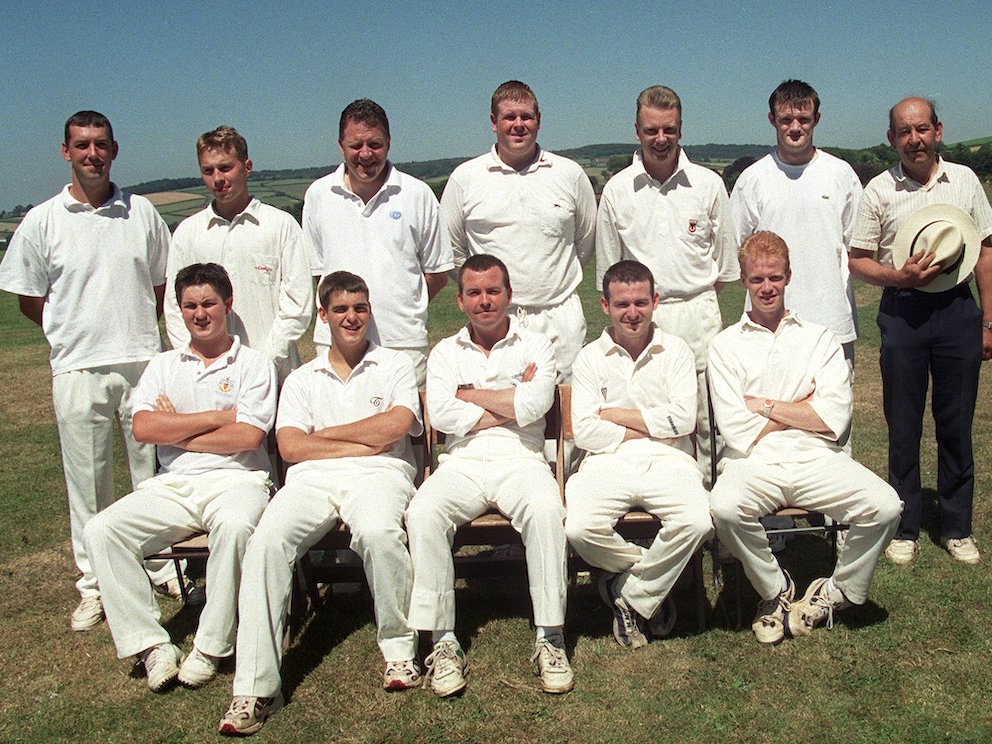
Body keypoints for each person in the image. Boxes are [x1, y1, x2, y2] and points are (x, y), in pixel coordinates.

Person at [219, 271, 422, 737]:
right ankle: (255, 688)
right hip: (310, 481)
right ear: (323, 315)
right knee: (266, 543)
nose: (351, 318)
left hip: (381, 475)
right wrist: (361, 438)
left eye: (360, 308)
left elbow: (395, 426)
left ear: (369, 312)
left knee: (377, 533)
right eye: (341, 310)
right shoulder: (301, 378)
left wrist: (324, 435)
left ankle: (399, 652)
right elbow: (290, 448)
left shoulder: (394, 365)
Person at [0, 110, 180, 632]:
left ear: (115, 149)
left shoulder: (142, 213)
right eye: (82, 145)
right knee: (89, 485)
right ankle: (96, 583)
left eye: (101, 144)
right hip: (77, 369)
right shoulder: (42, 220)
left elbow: (160, 286)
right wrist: (73, 335)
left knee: (154, 478)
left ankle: (162, 564)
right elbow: (31, 300)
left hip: (142, 363)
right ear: (66, 152)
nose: (92, 154)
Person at [84, 263, 276, 692]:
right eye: (190, 305)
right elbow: (144, 429)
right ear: (180, 311)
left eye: (208, 303)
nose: (200, 313)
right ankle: (152, 645)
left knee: (235, 525)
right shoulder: (164, 364)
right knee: (102, 530)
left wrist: (179, 431)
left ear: (228, 305)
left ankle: (211, 645)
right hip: (174, 484)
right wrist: (215, 418)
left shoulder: (254, 363)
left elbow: (248, 436)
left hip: (239, 480)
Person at [709, 231, 902, 645]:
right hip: (753, 462)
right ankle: (775, 592)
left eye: (774, 278)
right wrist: (802, 407)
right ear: (743, 280)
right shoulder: (724, 346)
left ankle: (833, 593)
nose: (767, 287)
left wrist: (762, 405)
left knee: (886, 506)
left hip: (817, 457)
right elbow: (736, 432)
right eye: (757, 279)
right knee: (724, 508)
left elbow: (834, 419)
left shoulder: (820, 338)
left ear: (788, 276)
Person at [405, 254, 572, 697]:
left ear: (509, 295)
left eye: (493, 291)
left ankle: (550, 635)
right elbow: (440, 411)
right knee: (422, 512)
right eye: (475, 293)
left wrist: (469, 396)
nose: (485, 301)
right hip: (460, 463)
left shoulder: (535, 343)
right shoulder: (444, 351)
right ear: (459, 300)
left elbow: (535, 406)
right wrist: (509, 401)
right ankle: (442, 642)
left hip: (521, 458)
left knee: (545, 509)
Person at [849, 97, 992, 566]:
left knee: (956, 422)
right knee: (903, 424)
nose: (915, 139)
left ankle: (956, 526)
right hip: (904, 311)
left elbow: (986, 252)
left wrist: (988, 319)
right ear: (892, 139)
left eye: (922, 129)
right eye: (904, 132)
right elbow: (858, 260)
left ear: (938, 131)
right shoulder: (878, 191)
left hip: (957, 310)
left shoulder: (966, 181)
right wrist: (901, 278)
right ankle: (905, 524)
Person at [564, 260, 713, 649]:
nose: (632, 313)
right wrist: (649, 426)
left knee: (698, 522)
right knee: (579, 529)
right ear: (605, 306)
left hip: (669, 461)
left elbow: (683, 419)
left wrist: (612, 415)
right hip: (605, 462)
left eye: (641, 303)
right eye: (622, 304)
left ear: (656, 301)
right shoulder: (589, 358)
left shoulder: (677, 351)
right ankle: (649, 578)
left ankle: (628, 592)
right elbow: (584, 430)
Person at [596, 86, 737, 483]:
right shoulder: (618, 190)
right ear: (637, 130)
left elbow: (725, 267)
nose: (661, 139)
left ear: (681, 129)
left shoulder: (708, 184)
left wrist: (688, 297)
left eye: (669, 130)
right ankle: (672, 507)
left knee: (709, 421)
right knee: (654, 417)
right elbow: (610, 271)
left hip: (698, 314)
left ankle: (715, 513)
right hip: (641, 319)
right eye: (651, 130)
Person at [441, 80, 596, 382]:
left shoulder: (570, 174)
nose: (518, 125)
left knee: (564, 412)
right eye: (509, 117)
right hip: (496, 318)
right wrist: (485, 292)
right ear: (493, 122)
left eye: (526, 116)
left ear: (539, 120)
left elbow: (585, 241)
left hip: (559, 314)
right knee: (501, 409)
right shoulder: (466, 178)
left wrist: (553, 280)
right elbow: (453, 249)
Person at [303, 99, 452, 386]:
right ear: (340, 145)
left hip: (401, 342)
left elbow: (437, 273)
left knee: (400, 429)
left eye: (375, 144)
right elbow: (320, 272)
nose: (366, 154)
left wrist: (403, 305)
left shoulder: (417, 194)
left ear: (389, 143)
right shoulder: (318, 195)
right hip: (335, 342)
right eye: (356, 145)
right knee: (337, 428)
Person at [730, 79, 862, 380]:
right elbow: (738, 250)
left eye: (803, 119)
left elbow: (858, 247)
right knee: (772, 419)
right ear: (772, 120)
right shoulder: (753, 179)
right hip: (768, 326)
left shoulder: (841, 174)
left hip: (831, 324)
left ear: (816, 119)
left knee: (834, 421)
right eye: (786, 119)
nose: (795, 127)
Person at [165, 126, 312, 384]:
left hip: (275, 374)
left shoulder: (281, 226)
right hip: (207, 376)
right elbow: (175, 308)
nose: (217, 178)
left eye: (225, 167)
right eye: (208, 171)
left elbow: (298, 303)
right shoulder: (188, 234)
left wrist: (263, 361)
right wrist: (197, 361)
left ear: (247, 167)